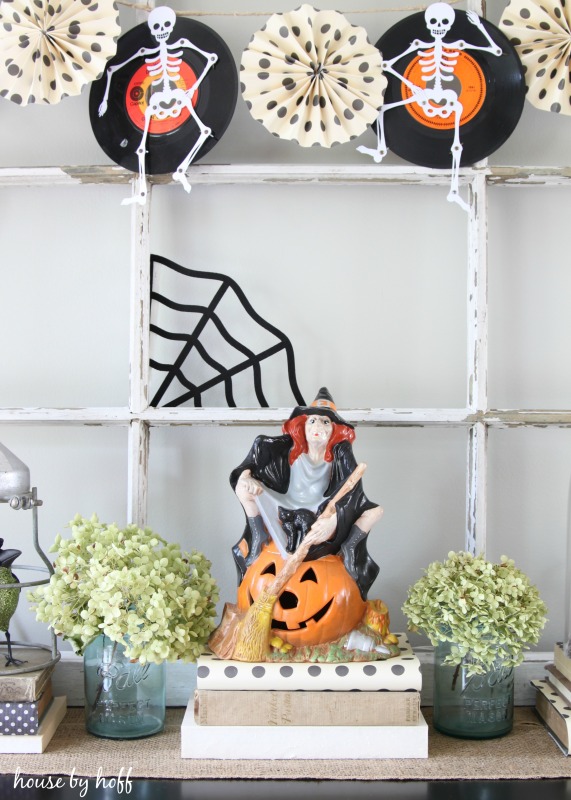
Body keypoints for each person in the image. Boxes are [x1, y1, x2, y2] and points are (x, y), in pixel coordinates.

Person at [230, 388, 382, 599]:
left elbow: (353, 494)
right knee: (241, 488)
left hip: (321, 510)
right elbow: (253, 461)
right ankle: (259, 533)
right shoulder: (288, 451)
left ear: (334, 430)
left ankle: (349, 546)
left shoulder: (341, 456)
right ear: (301, 426)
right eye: (312, 421)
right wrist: (246, 477)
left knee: (375, 512)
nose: (317, 426)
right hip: (284, 504)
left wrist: (333, 520)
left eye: (325, 422)